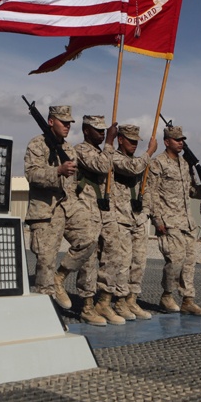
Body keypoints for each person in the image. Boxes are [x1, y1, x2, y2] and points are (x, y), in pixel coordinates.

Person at [24, 105, 98, 316]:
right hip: (46, 210)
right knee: (45, 264)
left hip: (68, 206)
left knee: (89, 238)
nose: (67, 126)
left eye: (69, 123)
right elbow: (31, 174)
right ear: (50, 122)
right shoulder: (36, 144)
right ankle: (45, 317)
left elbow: (72, 183)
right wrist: (57, 170)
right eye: (63, 122)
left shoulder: (69, 148)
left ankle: (61, 276)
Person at [145, 124, 201, 316]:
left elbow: (192, 191)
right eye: (177, 140)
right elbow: (150, 193)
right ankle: (167, 295)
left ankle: (188, 300)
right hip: (168, 221)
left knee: (189, 263)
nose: (181, 143)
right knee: (174, 261)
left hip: (187, 222)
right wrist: (157, 219)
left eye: (182, 140)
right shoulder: (157, 163)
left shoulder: (185, 164)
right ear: (167, 141)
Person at [73, 115, 127, 325]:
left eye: (104, 130)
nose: (102, 133)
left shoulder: (103, 151)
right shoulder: (81, 150)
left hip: (106, 210)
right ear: (86, 130)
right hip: (88, 210)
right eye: (97, 130)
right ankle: (86, 307)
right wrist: (110, 142)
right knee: (88, 260)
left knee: (113, 254)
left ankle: (104, 301)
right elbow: (102, 166)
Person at [108, 124, 157, 320]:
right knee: (123, 262)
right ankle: (119, 301)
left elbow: (147, 189)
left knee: (139, 262)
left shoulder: (140, 161)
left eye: (137, 142)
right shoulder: (115, 157)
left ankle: (132, 300)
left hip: (137, 218)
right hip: (120, 217)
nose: (135, 145)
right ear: (120, 140)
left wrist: (145, 212)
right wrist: (150, 152)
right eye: (131, 141)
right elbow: (131, 168)